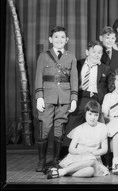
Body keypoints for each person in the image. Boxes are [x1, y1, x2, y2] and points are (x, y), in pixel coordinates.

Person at [35, 26, 78, 172]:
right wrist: (39, 97)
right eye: (56, 37)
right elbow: (38, 77)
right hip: (47, 97)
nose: (59, 40)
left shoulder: (71, 56)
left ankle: (55, 160)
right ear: (50, 39)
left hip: (64, 98)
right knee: (45, 128)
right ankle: (41, 161)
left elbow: (74, 79)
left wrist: (73, 98)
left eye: (62, 37)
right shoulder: (44, 56)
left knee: (59, 129)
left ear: (67, 40)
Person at [62, 41, 111, 150]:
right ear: (87, 52)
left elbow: (107, 88)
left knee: (95, 120)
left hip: (95, 98)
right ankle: (67, 151)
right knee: (73, 121)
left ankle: (95, 151)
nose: (96, 54)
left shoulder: (105, 69)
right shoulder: (78, 64)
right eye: (94, 51)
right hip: (79, 96)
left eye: (99, 52)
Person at [47, 100, 110, 179]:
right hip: (79, 157)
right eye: (90, 114)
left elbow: (104, 149)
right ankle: (63, 171)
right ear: (85, 114)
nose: (92, 118)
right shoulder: (80, 129)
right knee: (91, 161)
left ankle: (63, 172)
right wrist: (82, 152)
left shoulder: (102, 128)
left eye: (96, 115)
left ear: (99, 116)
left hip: (94, 157)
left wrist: (92, 152)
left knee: (90, 171)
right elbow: (71, 149)